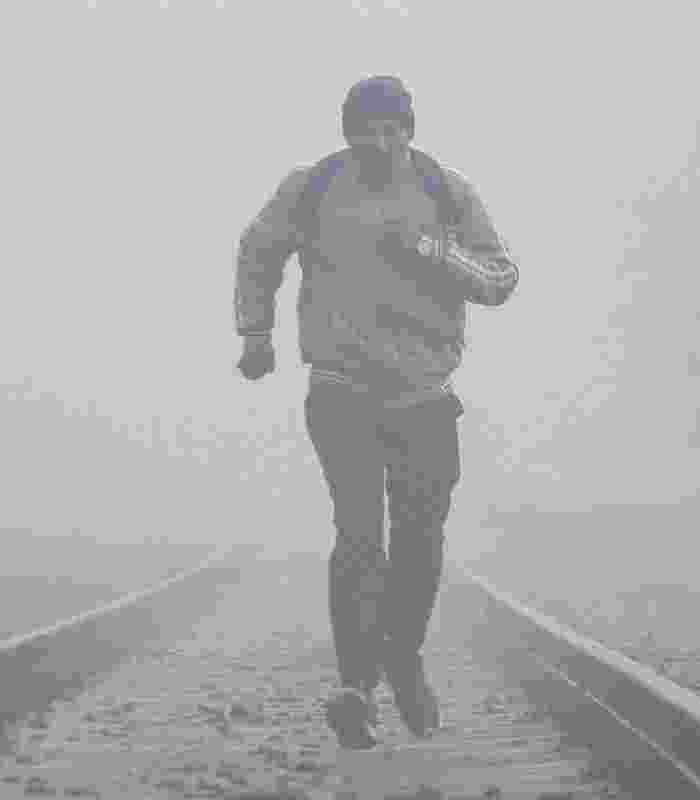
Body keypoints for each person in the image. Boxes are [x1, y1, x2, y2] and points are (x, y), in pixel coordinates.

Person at [232, 75, 521, 748]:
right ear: (347, 133)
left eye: (391, 130)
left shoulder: (446, 192)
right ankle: (356, 688)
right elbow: (259, 250)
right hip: (341, 390)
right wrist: (256, 333)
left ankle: (403, 657)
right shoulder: (313, 187)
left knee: (420, 542)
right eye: (364, 130)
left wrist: (434, 251)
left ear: (410, 132)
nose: (378, 143)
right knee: (359, 537)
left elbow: (500, 278)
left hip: (425, 396)